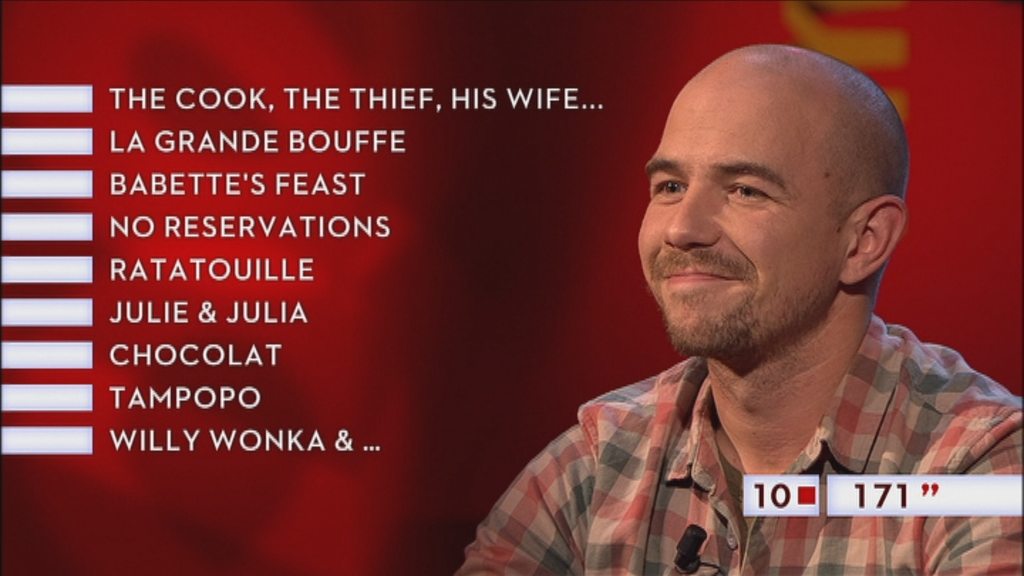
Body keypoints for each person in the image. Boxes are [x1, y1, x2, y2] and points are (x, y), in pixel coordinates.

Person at [456, 44, 1023, 575]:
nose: (682, 228)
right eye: (670, 186)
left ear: (864, 241)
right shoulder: (602, 459)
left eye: (746, 190)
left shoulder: (980, 466)